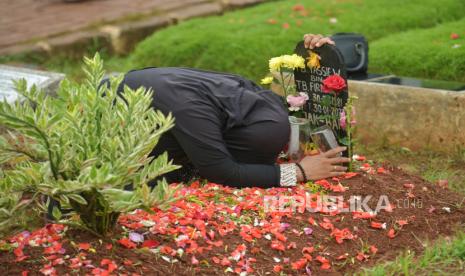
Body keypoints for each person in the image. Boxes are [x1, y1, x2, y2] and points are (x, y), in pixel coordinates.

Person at [116, 34, 350, 189]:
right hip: (103, 133)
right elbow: (223, 172)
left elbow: (288, 103)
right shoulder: (196, 115)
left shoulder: (244, 95)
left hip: (155, 103)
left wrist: (323, 56)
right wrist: (298, 172)